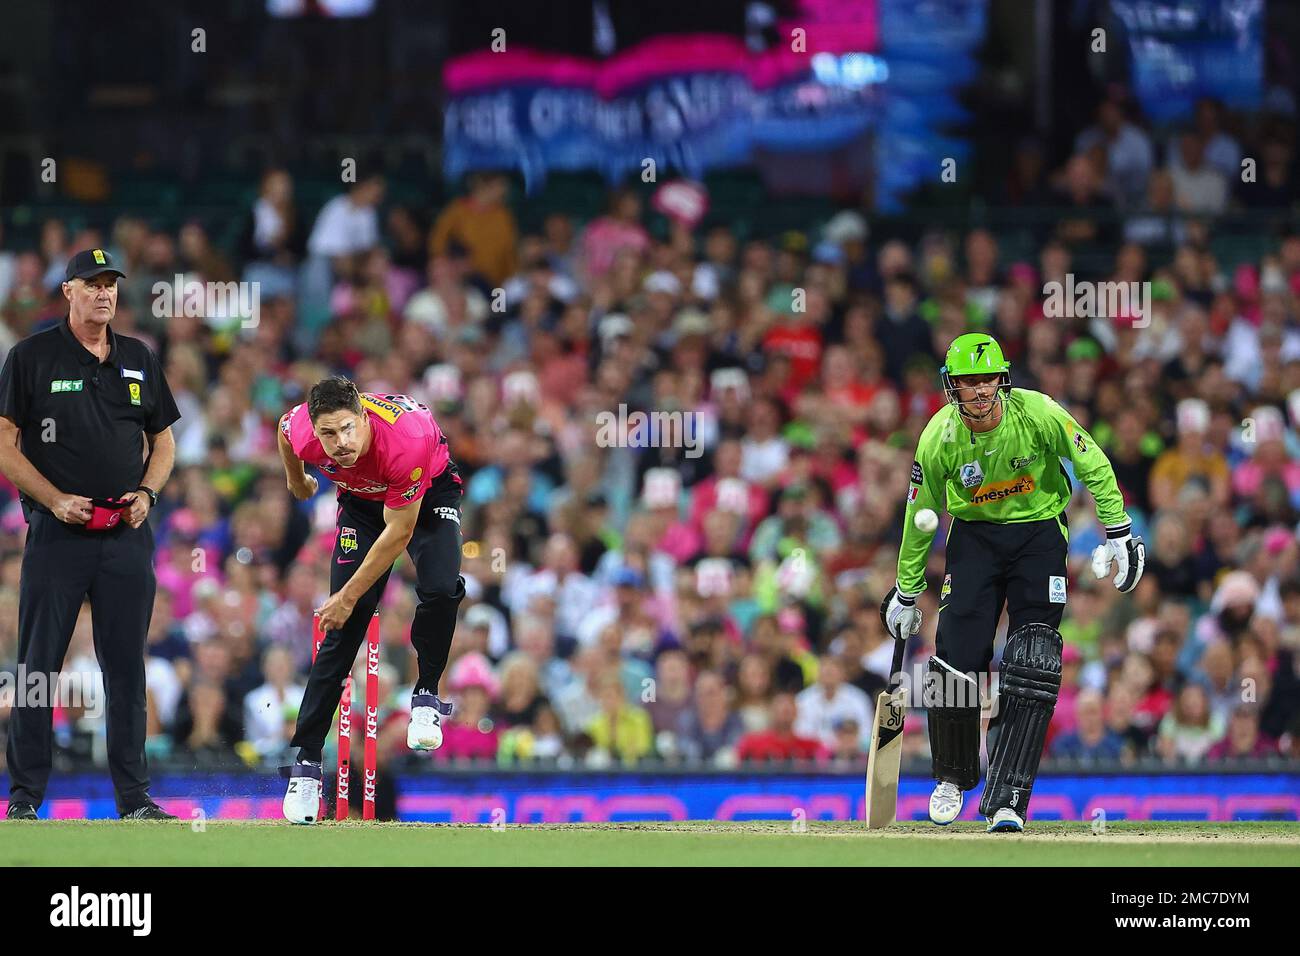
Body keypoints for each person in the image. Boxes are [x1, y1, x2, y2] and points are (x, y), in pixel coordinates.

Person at [880, 333, 1145, 832]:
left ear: (1001, 380)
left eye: (986, 380)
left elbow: (1090, 460)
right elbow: (920, 516)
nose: (978, 392)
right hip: (974, 538)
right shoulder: (938, 438)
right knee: (954, 655)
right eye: (967, 382)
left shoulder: (1038, 412)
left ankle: (1009, 796)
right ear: (951, 387)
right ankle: (953, 776)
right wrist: (906, 590)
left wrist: (1119, 529)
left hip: (1039, 534)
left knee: (1034, 659)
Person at [0, 249, 180, 820]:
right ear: (68, 291)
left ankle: (135, 801)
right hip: (57, 535)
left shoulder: (138, 358)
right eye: (92, 284)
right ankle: (25, 800)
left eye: (111, 285)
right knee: (38, 667)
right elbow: (4, 442)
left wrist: (148, 495)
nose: (104, 294)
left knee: (126, 667)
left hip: (125, 536)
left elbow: (165, 441)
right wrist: (53, 500)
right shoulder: (31, 357)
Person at [278, 376, 465, 824]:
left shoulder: (408, 440)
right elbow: (284, 430)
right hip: (361, 505)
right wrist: (297, 479)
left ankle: (425, 699)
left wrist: (346, 594)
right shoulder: (304, 431)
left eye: (347, 428)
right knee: (340, 631)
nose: (339, 443)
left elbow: (398, 534)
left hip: (426, 494)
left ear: (363, 416)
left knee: (440, 587)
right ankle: (304, 768)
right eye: (329, 434)